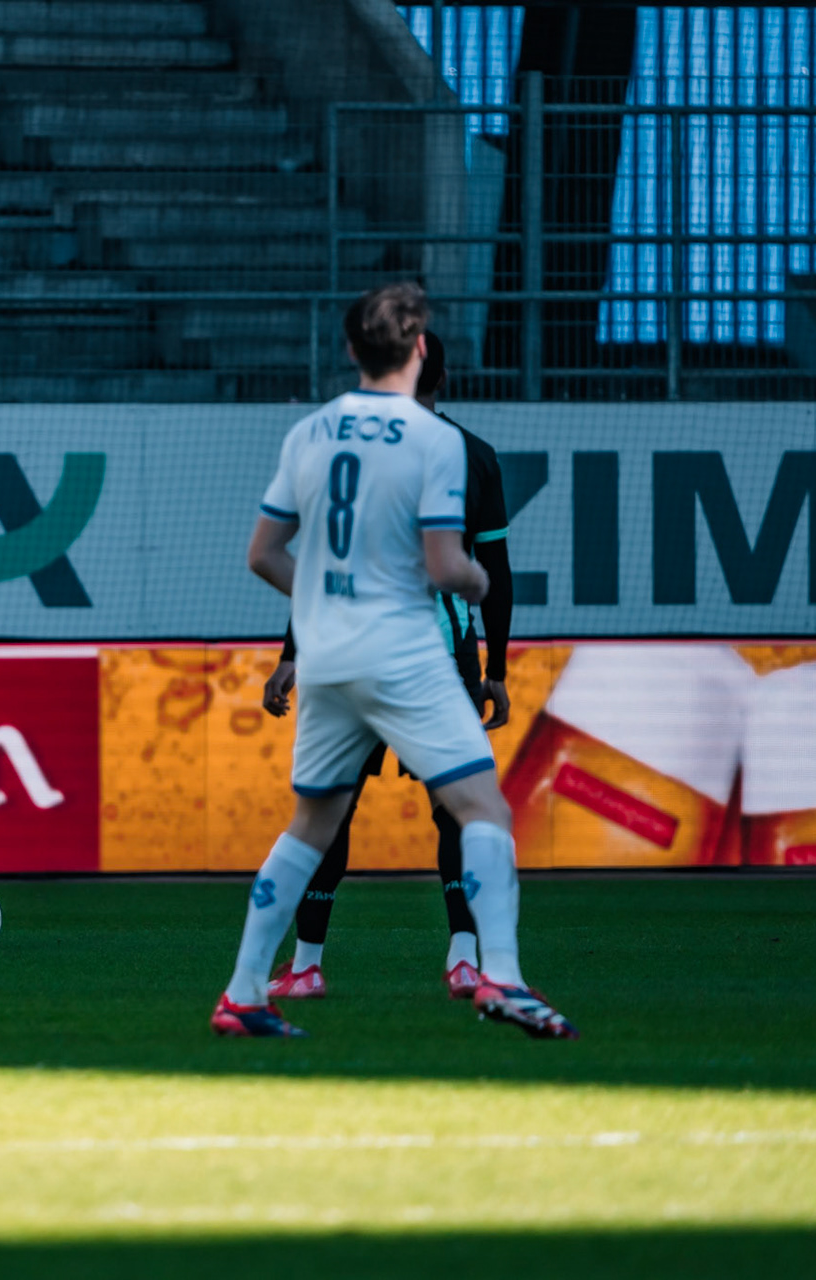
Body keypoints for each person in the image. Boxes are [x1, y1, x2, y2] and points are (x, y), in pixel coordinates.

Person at [211, 283, 575, 1039]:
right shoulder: (437, 441)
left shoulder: (310, 432)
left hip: (331, 653)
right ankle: (499, 978)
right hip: (407, 650)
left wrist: (325, 602)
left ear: (351, 350)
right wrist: (474, 582)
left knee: (312, 823)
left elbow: (263, 555)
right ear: (420, 350)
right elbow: (446, 566)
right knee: (481, 809)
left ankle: (245, 993)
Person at [260, 330, 515, 1001]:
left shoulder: (343, 449)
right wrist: (496, 667)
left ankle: (301, 966)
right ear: (443, 378)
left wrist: (294, 652)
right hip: (441, 656)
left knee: (327, 812)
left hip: (349, 650)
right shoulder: (470, 454)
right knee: (462, 809)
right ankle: (469, 960)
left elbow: (319, 564)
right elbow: (493, 571)